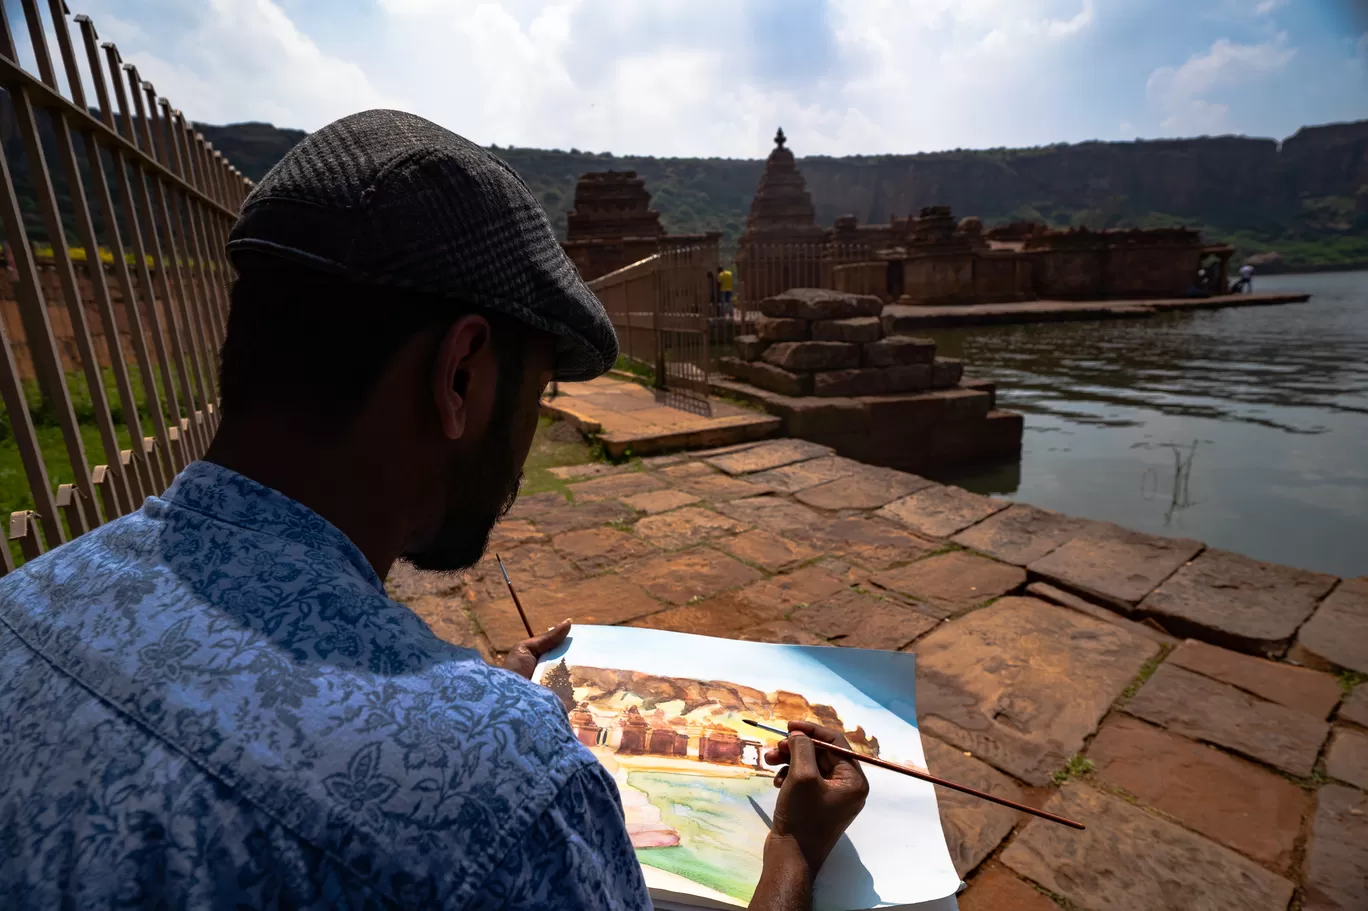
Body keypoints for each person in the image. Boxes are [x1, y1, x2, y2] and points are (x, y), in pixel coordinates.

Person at [0, 110, 866, 910]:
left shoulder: (21, 603)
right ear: (462, 376)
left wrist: (463, 709)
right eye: (538, 393)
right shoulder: (511, 788)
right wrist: (792, 850)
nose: (524, 447)